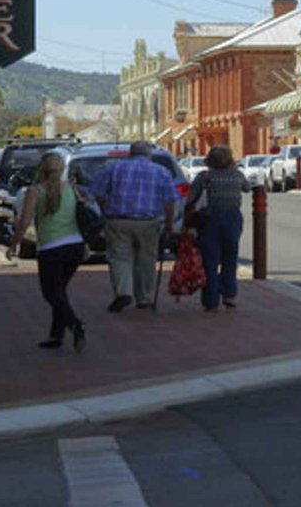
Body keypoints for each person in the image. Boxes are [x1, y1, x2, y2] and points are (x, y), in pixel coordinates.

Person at [9, 152, 86, 350]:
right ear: (62, 169)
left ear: (41, 168)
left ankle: (75, 324)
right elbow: (80, 216)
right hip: (75, 245)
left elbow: (24, 222)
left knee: (51, 293)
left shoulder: (35, 191)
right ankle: (56, 335)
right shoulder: (71, 188)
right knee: (60, 291)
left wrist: (14, 244)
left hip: (51, 247)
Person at [90, 141, 179, 313]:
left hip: (119, 220)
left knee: (119, 258)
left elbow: (98, 192)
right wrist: (169, 224)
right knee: (146, 260)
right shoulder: (161, 171)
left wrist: (105, 211)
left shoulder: (113, 168)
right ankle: (144, 297)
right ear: (149, 154)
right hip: (149, 222)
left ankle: (123, 291)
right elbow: (170, 201)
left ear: (130, 153)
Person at [186, 145, 251, 312]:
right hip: (232, 217)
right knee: (230, 256)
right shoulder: (237, 175)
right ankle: (229, 294)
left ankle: (211, 299)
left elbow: (190, 198)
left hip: (210, 218)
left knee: (210, 259)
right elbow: (247, 188)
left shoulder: (205, 177)